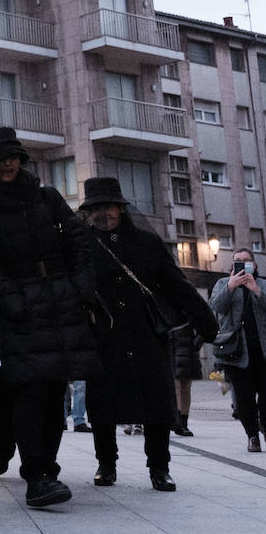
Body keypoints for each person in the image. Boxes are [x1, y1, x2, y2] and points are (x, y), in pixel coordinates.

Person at [0, 127, 100, 508]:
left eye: (12, 157)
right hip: (21, 307)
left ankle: (47, 468)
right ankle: (35, 474)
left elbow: (78, 242)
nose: (7, 165)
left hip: (61, 301)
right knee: (29, 391)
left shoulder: (48, 197)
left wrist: (80, 287)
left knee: (55, 390)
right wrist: (13, 299)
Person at [80, 177, 217, 492]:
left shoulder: (146, 242)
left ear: (121, 208)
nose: (104, 214)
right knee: (102, 402)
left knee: (157, 402)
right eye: (96, 208)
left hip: (145, 333)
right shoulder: (81, 246)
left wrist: (206, 320)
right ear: (88, 212)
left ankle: (159, 467)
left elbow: (176, 284)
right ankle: (106, 463)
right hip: (103, 335)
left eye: (109, 206)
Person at [210, 247, 266, 453]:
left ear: (255, 264)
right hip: (236, 353)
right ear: (232, 265)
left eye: (246, 261)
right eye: (237, 261)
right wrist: (231, 287)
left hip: (262, 352)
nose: (242, 264)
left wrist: (257, 291)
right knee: (244, 399)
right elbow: (216, 306)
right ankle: (252, 435)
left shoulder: (262, 284)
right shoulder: (223, 284)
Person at [169, 325, 204, 436]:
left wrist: (195, 344)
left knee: (185, 386)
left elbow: (204, 326)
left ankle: (182, 422)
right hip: (172, 348)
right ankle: (179, 423)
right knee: (178, 386)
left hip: (186, 349)